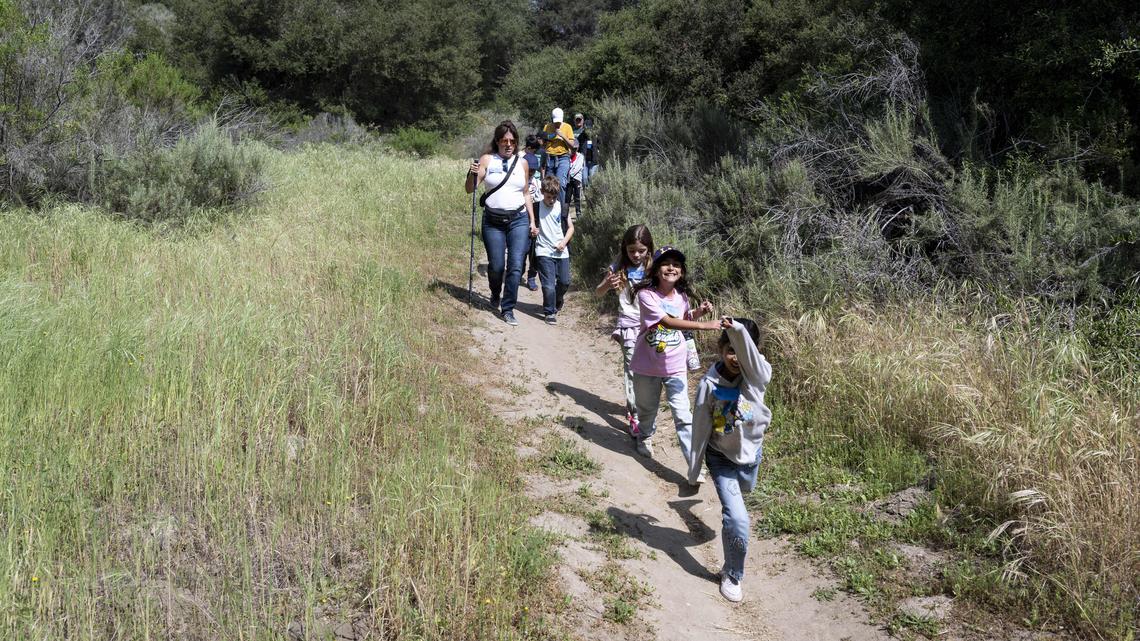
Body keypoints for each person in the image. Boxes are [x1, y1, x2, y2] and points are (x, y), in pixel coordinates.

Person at [688, 317, 772, 603]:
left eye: (741, 350)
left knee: (745, 492)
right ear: (721, 349)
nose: (735, 357)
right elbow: (700, 427)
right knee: (737, 518)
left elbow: (756, 367)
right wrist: (694, 468)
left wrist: (737, 330)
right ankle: (733, 573)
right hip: (721, 456)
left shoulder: (757, 375)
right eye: (729, 349)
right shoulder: (709, 384)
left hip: (751, 454)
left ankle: (723, 514)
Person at [629, 246, 720, 467]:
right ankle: (645, 436)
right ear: (656, 269)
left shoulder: (682, 296)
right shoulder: (646, 295)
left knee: (683, 415)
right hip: (647, 365)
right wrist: (704, 325)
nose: (672, 268)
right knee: (647, 409)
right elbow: (666, 321)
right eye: (666, 263)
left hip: (675, 365)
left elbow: (681, 317)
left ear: (682, 270)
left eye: (677, 264)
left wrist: (698, 313)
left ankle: (694, 464)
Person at [464, 120, 537, 326]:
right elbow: (470, 189)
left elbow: (525, 194)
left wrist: (532, 220)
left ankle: (508, 308)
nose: (508, 144)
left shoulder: (522, 163)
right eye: (504, 141)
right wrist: (471, 173)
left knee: (515, 266)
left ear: (516, 143)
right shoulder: (487, 160)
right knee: (496, 266)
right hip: (493, 221)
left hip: (518, 220)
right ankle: (495, 292)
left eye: (512, 141)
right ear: (497, 142)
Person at [594, 225, 654, 437]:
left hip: (652, 326)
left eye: (641, 250)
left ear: (649, 248)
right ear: (625, 249)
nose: (636, 255)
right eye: (631, 250)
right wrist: (608, 285)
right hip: (629, 325)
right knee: (631, 370)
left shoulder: (654, 267)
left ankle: (644, 407)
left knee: (648, 372)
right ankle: (635, 415)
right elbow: (598, 292)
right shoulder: (618, 266)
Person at [534, 175, 574, 325]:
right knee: (548, 285)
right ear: (542, 192)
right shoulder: (536, 206)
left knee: (564, 282)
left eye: (554, 197)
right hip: (543, 250)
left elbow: (571, 228)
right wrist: (533, 230)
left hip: (561, 251)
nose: (551, 200)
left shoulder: (562, 207)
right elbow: (530, 224)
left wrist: (564, 242)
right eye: (549, 196)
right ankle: (549, 312)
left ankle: (558, 299)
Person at [541, 108, 575, 212]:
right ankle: (547, 209)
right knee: (548, 184)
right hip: (550, 157)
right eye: (555, 121)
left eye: (559, 122)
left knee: (561, 183)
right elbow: (543, 143)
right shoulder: (547, 127)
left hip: (563, 157)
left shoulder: (567, 127)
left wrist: (562, 136)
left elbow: (572, 146)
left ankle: (561, 210)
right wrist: (548, 138)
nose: (557, 124)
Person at [523, 134, 543, 291]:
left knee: (534, 251)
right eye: (528, 171)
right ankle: (518, 272)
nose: (530, 174)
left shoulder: (536, 183)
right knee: (521, 249)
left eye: (533, 171)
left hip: (534, 220)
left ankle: (531, 276)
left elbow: (540, 202)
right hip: (519, 219)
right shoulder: (517, 181)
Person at [572, 112, 598, 189]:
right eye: (587, 128)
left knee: (592, 179)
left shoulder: (596, 135)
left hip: (594, 161)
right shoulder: (582, 136)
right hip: (584, 161)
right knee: (584, 179)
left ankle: (591, 197)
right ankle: (586, 195)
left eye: (590, 128)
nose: (588, 130)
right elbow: (576, 145)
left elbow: (602, 144)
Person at [566, 141, 584, 217]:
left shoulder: (580, 156)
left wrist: (570, 173)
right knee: (567, 197)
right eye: (572, 148)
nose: (574, 150)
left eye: (575, 148)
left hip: (576, 179)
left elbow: (578, 168)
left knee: (577, 197)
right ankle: (565, 213)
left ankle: (578, 213)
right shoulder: (567, 156)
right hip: (568, 179)